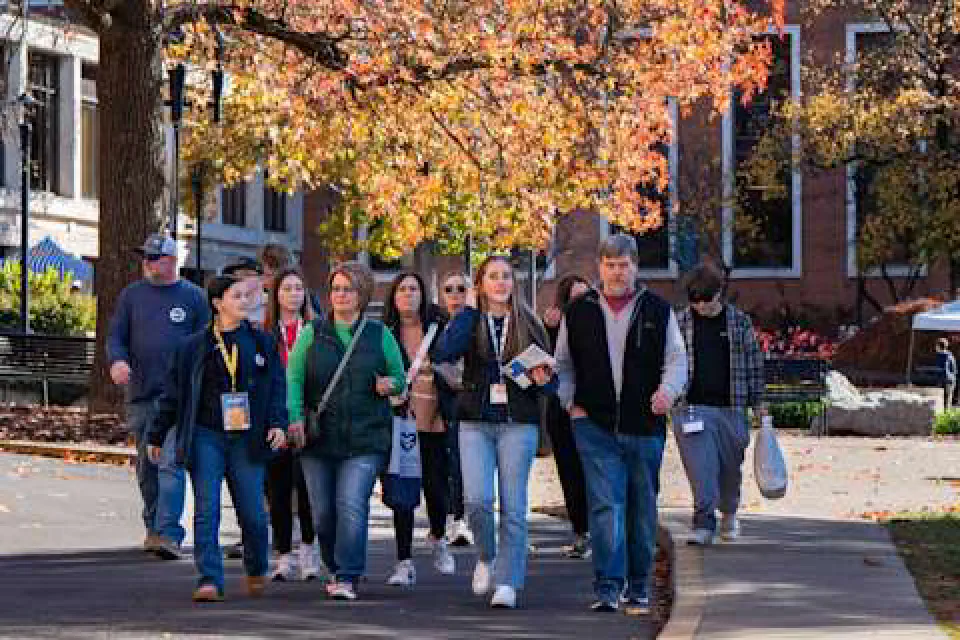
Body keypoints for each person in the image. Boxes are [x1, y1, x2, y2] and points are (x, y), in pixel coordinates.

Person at [554, 233, 687, 614]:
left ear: (635, 267)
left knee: (641, 507)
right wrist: (570, 401)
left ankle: (639, 585)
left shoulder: (657, 310)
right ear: (600, 267)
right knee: (605, 505)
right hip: (593, 424)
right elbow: (563, 364)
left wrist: (668, 392)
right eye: (610, 265)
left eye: (623, 265)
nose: (617, 272)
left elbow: (677, 361)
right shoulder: (579, 311)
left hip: (644, 424)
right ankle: (608, 586)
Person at [148, 275, 288, 602]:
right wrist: (157, 433)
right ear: (217, 303)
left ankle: (256, 566)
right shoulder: (193, 347)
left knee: (253, 512)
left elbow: (277, 387)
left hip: (247, 438)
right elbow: (172, 393)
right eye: (235, 296)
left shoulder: (261, 342)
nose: (244, 301)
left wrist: (278, 423)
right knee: (206, 509)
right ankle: (209, 578)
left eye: (246, 296)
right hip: (206, 435)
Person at [434, 255, 555, 609]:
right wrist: (469, 311)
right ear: (481, 284)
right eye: (492, 277)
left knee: (514, 507)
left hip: (519, 423)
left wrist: (543, 379)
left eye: (506, 276)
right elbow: (443, 352)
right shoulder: (469, 322)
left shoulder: (528, 322)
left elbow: (551, 379)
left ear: (513, 283)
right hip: (475, 421)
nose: (500, 283)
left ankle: (508, 582)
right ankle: (486, 556)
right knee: (477, 501)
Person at [286, 261, 406, 601]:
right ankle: (335, 566)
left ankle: (347, 574)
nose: (340, 295)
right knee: (323, 512)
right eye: (336, 288)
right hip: (318, 438)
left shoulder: (379, 335)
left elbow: (400, 378)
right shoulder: (313, 331)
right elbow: (293, 378)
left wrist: (390, 385)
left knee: (351, 503)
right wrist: (294, 417)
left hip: (366, 438)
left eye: (348, 289)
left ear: (362, 294)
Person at [106, 232, 208, 559]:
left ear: (172, 261)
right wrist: (118, 361)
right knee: (146, 467)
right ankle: (152, 526)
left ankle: (169, 533)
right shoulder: (131, 296)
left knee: (170, 462)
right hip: (141, 394)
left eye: (154, 258)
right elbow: (116, 336)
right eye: (145, 258)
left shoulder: (193, 297)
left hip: (178, 397)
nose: (147, 264)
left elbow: (206, 343)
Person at [672, 263, 766, 547]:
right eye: (695, 301)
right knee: (701, 470)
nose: (701, 307)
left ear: (719, 295)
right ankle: (703, 523)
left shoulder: (739, 322)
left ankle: (729, 512)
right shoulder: (679, 323)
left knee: (729, 470)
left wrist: (758, 402)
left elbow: (754, 363)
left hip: (732, 407)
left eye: (707, 301)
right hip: (691, 408)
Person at [382, 271, 456, 587]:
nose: (408, 294)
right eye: (402, 289)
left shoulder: (438, 330)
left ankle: (438, 538)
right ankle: (404, 562)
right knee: (401, 494)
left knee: (437, 491)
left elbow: (454, 366)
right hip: (400, 424)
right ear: (393, 297)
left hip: (434, 421)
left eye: (414, 289)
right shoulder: (385, 333)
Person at [264, 267, 321, 581]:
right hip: (275, 419)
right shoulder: (265, 332)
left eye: (299, 288)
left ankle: (309, 551)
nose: (293, 294)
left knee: (307, 486)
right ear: (276, 294)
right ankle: (283, 555)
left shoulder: (314, 330)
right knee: (278, 489)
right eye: (287, 288)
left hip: (306, 417)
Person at [541, 274, 592, 559]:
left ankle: (599, 530)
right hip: (561, 412)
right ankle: (581, 531)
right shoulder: (555, 325)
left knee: (595, 472)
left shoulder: (600, 322)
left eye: (585, 296)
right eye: (574, 298)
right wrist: (550, 330)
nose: (580, 304)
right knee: (570, 473)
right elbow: (548, 363)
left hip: (592, 410)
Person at [437, 270, 471, 546]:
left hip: (466, 402)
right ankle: (452, 518)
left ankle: (460, 521)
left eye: (461, 288)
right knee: (448, 462)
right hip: (443, 402)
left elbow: (450, 356)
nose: (455, 294)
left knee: (462, 462)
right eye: (449, 289)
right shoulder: (441, 325)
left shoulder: (471, 321)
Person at [223, 256, 266, 326]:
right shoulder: (223, 305)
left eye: (247, 275)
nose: (240, 279)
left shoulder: (272, 305)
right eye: (235, 275)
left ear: (261, 279)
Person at [936, 338, 957, 410]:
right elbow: (954, 370)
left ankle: (945, 417)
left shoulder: (944, 356)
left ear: (939, 346)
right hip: (950, 380)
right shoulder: (949, 355)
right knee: (946, 400)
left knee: (945, 401)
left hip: (947, 381)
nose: (935, 347)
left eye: (936, 346)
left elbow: (945, 369)